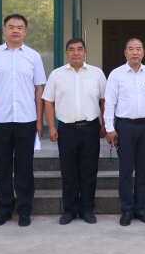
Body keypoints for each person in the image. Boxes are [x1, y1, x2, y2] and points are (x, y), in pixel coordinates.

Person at [0, 14, 46, 228]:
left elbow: (39, 89)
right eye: (11, 27)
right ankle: (4, 210)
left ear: (25, 31)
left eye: (20, 27)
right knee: (2, 167)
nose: (15, 30)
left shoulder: (33, 56)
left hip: (26, 119)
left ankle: (25, 211)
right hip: (0, 119)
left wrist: (39, 120)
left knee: (24, 167)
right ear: (4, 30)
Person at [43, 38, 107, 225]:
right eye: (72, 49)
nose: (76, 53)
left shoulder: (96, 73)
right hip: (66, 129)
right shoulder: (57, 75)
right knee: (69, 171)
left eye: (80, 49)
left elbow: (104, 100)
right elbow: (48, 101)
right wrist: (51, 126)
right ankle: (69, 210)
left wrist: (105, 124)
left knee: (89, 171)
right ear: (66, 53)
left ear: (85, 52)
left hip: (91, 128)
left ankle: (87, 209)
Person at [104, 38, 145, 226]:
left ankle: (140, 209)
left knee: (143, 170)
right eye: (131, 49)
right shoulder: (116, 74)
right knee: (126, 170)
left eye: (138, 49)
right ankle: (127, 209)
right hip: (125, 127)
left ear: (143, 53)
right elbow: (109, 102)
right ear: (125, 52)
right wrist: (110, 128)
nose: (135, 52)